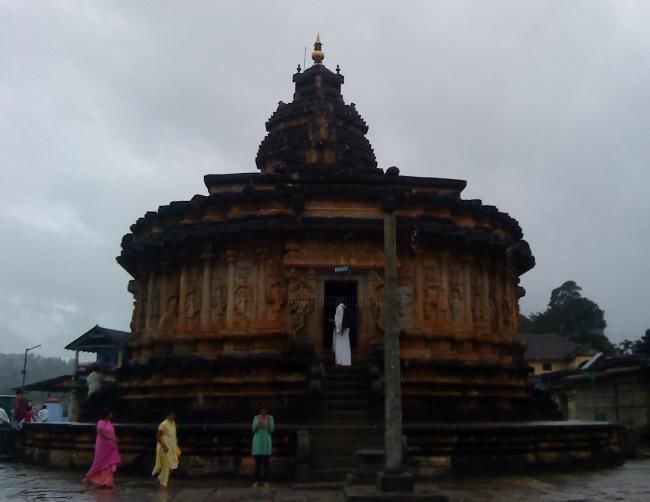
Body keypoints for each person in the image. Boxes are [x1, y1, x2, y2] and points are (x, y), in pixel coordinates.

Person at [82, 409, 121, 490]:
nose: (111, 415)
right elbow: (102, 434)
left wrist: (113, 440)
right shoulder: (100, 422)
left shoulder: (109, 423)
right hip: (102, 447)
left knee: (108, 464)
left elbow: (111, 433)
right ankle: (87, 479)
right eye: (110, 413)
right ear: (107, 414)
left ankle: (107, 482)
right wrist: (112, 439)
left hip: (110, 447)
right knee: (98, 464)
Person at [152, 411, 180, 489]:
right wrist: (164, 446)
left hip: (172, 447)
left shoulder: (173, 423)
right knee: (166, 467)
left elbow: (173, 436)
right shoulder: (163, 424)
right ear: (168, 415)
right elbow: (158, 437)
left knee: (173, 465)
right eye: (172, 415)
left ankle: (160, 478)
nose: (173, 416)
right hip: (164, 448)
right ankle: (163, 484)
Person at [251, 408, 275, 488]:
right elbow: (254, 429)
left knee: (266, 463)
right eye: (262, 411)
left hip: (266, 442)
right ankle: (256, 481)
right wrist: (259, 421)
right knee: (257, 463)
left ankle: (266, 481)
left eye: (265, 411)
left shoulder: (270, 418)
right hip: (257, 442)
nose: (263, 412)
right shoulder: (256, 418)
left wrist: (267, 421)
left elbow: (271, 429)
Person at [333, 298, 352, 366]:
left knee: (339, 345)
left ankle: (339, 361)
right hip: (346, 329)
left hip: (341, 330)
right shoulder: (345, 308)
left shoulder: (339, 308)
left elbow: (339, 320)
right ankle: (346, 362)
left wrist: (338, 329)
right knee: (346, 345)